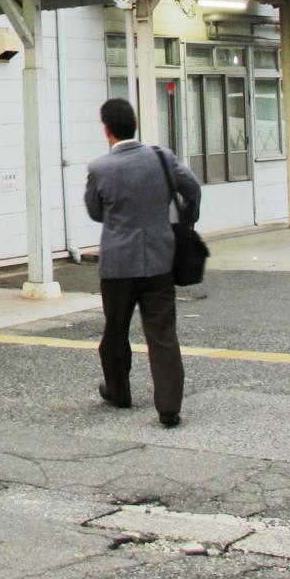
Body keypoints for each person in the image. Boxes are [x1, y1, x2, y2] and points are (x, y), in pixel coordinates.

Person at [83, 96, 199, 428]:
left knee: (115, 330)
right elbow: (192, 189)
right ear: (135, 123)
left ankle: (119, 391)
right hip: (160, 261)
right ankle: (169, 407)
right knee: (162, 334)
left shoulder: (100, 169)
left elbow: (94, 212)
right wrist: (188, 221)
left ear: (107, 131)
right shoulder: (162, 159)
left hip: (118, 265)